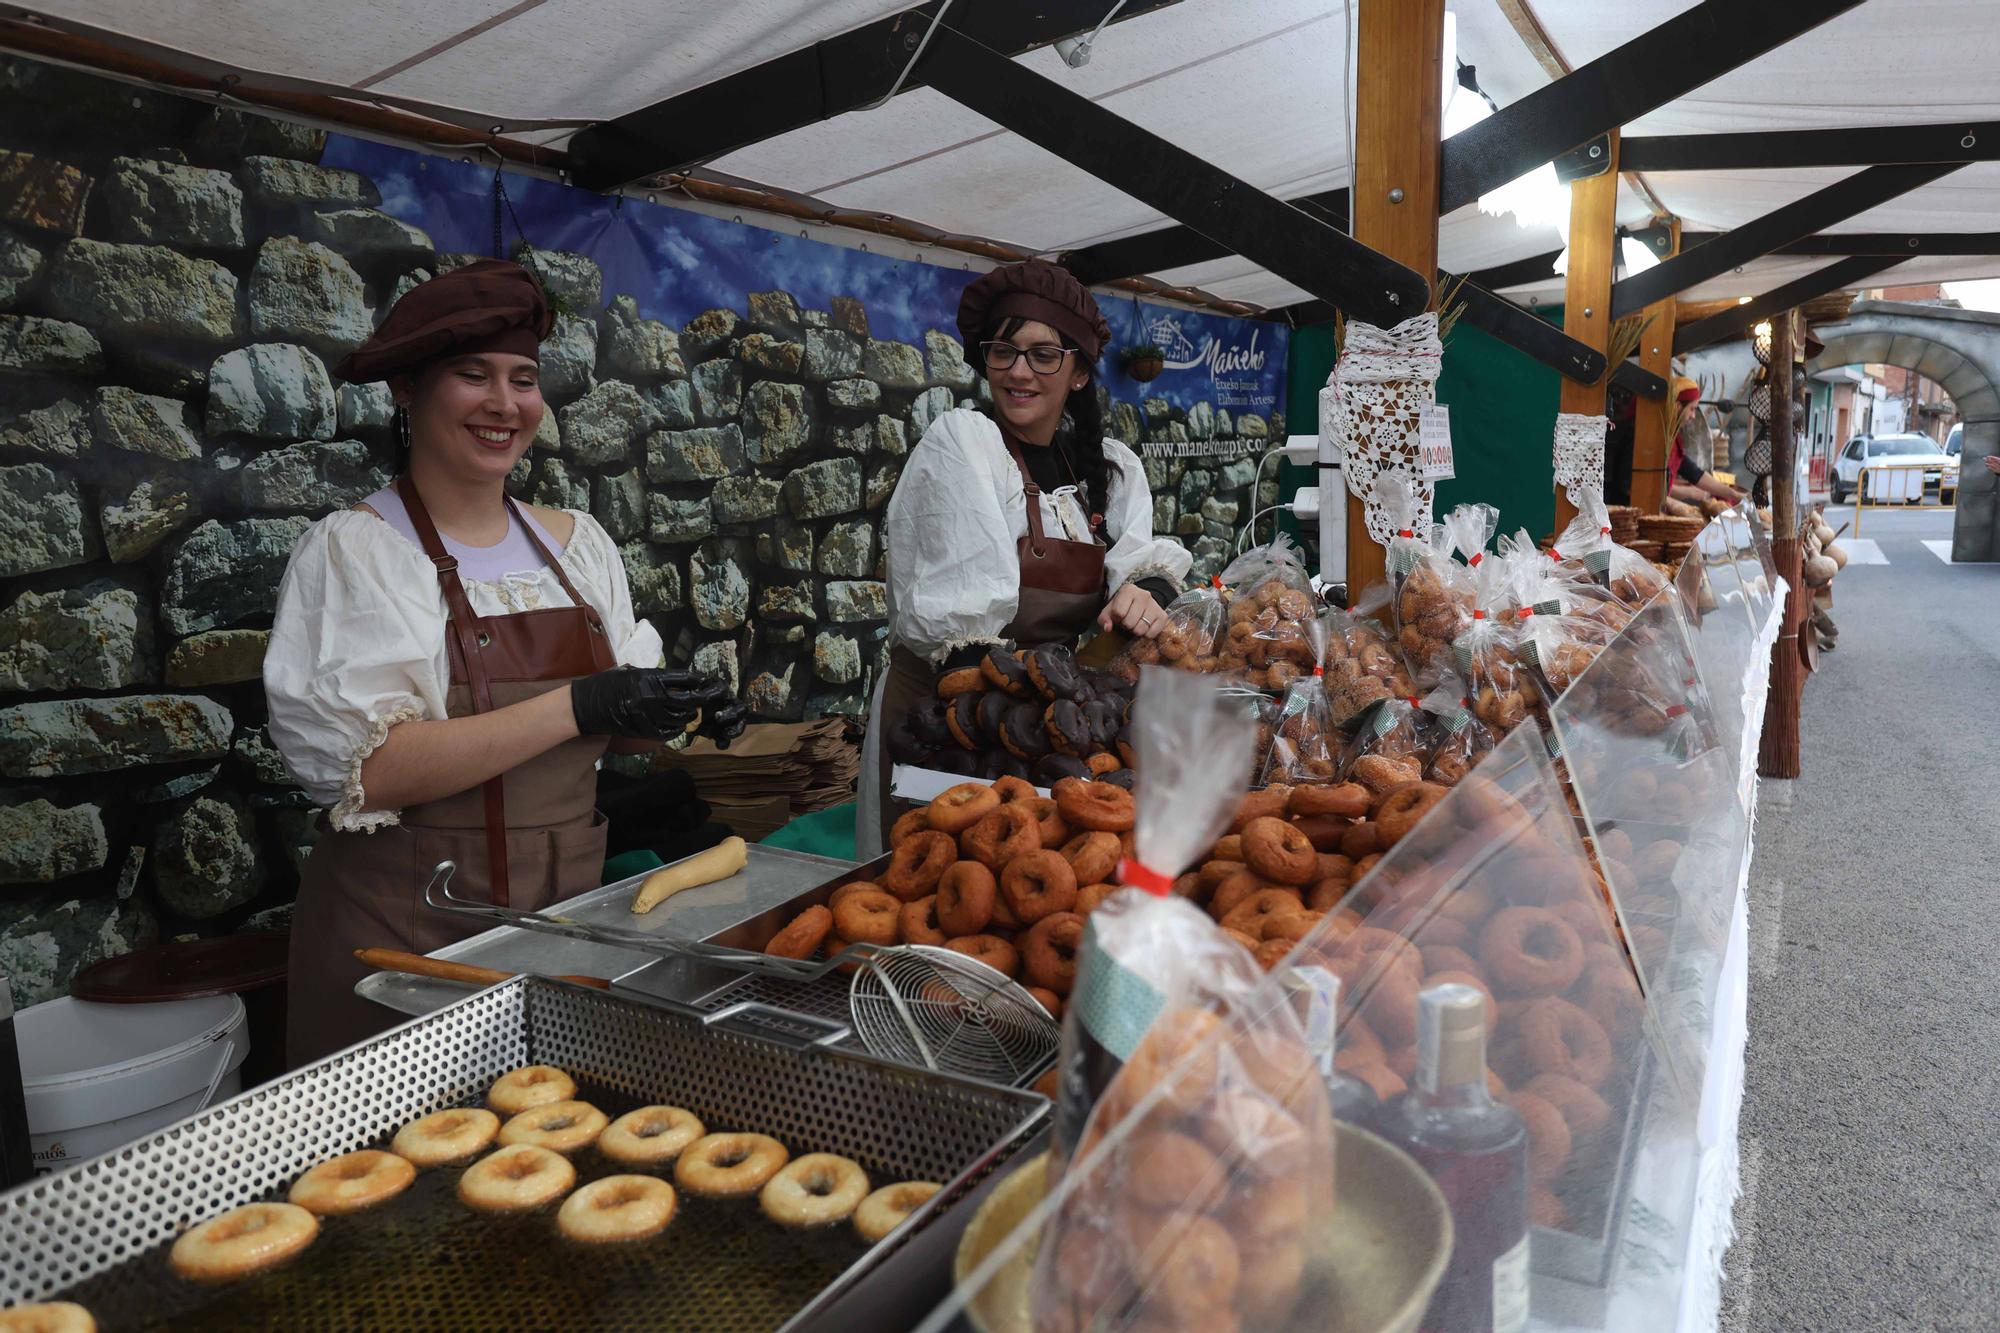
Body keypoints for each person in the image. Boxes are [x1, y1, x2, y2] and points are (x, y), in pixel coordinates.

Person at [266, 260, 742, 1065]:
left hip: (566, 921)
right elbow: (372, 769)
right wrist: (581, 704)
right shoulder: (357, 552)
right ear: (406, 393)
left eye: (523, 379)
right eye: (472, 375)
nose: (504, 403)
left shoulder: (576, 546)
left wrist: (672, 712)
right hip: (405, 938)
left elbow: (612, 737)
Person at [858, 261, 1191, 855]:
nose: (1019, 371)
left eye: (1044, 355)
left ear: (1080, 373)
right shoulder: (963, 445)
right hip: (943, 726)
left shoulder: (1106, 471)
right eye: (1004, 351)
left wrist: (1149, 593)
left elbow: (1141, 563)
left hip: (1036, 728)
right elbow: (959, 634)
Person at [1667, 376, 1744, 506]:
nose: (1693, 416)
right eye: (1692, 409)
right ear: (1677, 406)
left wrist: (1732, 494)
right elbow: (1649, 485)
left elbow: (1693, 473)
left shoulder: (1672, 441)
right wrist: (1689, 492)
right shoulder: (1654, 438)